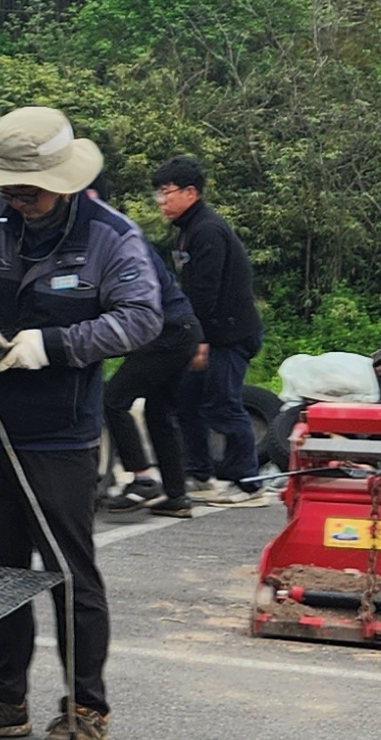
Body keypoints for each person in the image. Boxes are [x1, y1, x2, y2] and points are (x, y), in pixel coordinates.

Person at [0, 108, 169, 740]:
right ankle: (3, 699)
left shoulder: (112, 238)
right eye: (7, 187)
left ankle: (86, 708)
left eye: (28, 189)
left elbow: (141, 320)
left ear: (66, 179)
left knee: (68, 577)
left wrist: (50, 347)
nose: (16, 199)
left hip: (59, 437)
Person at [111, 156, 265, 508]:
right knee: (187, 404)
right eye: (159, 194)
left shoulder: (207, 230)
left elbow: (207, 292)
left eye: (167, 193)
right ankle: (199, 474)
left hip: (229, 335)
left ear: (191, 193)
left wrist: (200, 341)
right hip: (204, 331)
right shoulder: (187, 230)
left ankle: (249, 485)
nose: (161, 201)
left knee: (223, 405)